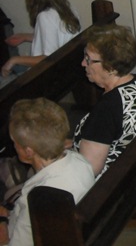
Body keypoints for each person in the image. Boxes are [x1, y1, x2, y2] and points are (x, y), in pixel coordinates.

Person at [0, 98, 95, 246]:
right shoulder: (80, 161)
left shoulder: (40, 197)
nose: (14, 146)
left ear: (28, 152)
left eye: (15, 143)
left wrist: (2, 221)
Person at [73, 25, 136, 178]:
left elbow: (88, 171)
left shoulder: (107, 108)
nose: (83, 63)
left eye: (88, 59)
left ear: (110, 67)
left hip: (111, 180)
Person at [1, 0, 80, 87]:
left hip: (48, 78)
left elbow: (48, 59)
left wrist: (13, 60)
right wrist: (25, 37)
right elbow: (58, 38)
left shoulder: (45, 16)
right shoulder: (67, 7)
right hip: (67, 70)